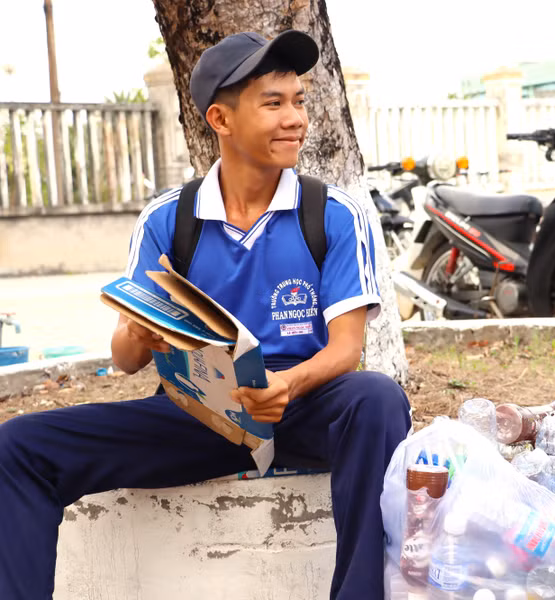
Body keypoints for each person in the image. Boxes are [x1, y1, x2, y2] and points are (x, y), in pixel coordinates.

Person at [0, 30, 411, 600]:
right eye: (274, 103)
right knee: (16, 447)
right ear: (221, 118)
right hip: (199, 417)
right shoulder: (168, 219)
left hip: (302, 408)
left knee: (376, 400)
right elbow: (124, 361)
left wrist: (286, 384)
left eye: (300, 101)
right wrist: (141, 330)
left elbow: (347, 349)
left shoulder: (333, 213)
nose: (295, 118)